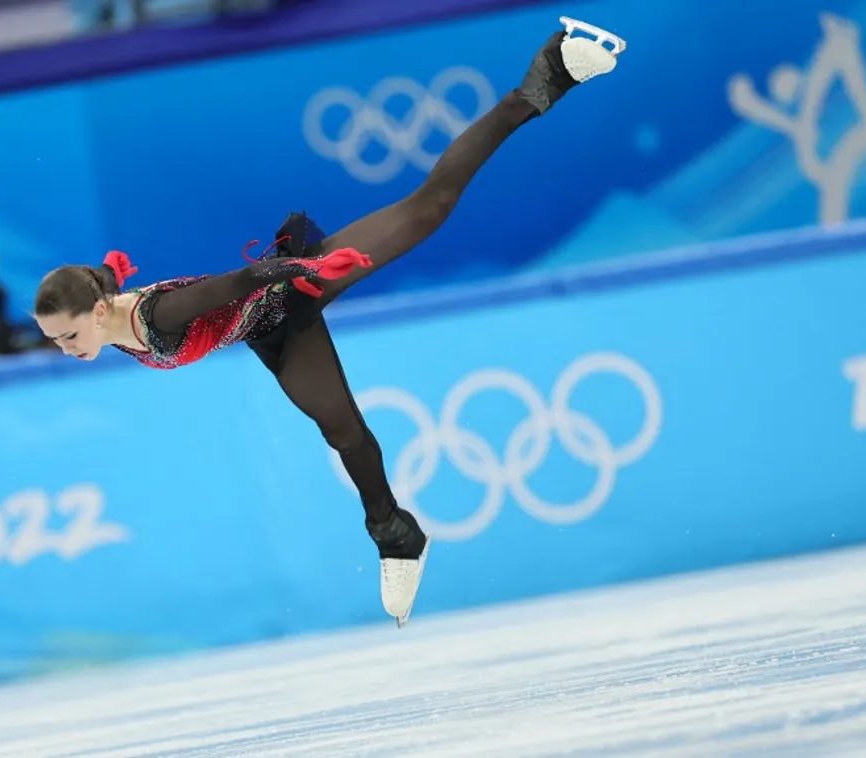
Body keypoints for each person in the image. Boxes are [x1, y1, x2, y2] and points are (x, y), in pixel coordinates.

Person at [32, 20, 626, 627]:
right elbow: (139, 289)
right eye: (56, 340)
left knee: (431, 208)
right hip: (270, 330)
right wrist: (109, 275)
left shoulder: (152, 317)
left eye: (69, 335)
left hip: (284, 289)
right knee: (342, 430)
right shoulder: (104, 314)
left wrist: (307, 267)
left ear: (99, 313)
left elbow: (229, 284)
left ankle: (548, 75)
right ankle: (397, 535)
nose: (65, 349)